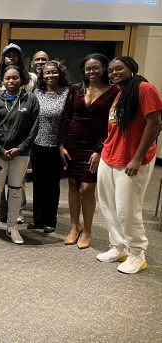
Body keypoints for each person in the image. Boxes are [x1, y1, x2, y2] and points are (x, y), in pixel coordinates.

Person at [96, 56, 162, 274]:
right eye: (111, 70)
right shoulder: (121, 93)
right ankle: (119, 246)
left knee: (127, 210)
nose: (114, 73)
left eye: (119, 69)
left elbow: (154, 123)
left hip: (133, 160)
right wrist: (104, 151)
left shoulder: (145, 88)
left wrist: (136, 157)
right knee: (108, 205)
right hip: (110, 155)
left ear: (131, 69)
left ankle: (137, 254)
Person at [59, 53, 119, 249]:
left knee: (87, 188)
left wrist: (99, 150)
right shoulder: (76, 89)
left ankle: (88, 230)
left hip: (95, 146)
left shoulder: (114, 91)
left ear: (104, 68)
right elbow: (66, 117)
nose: (91, 71)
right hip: (72, 143)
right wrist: (61, 144)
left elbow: (111, 124)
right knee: (73, 185)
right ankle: (74, 227)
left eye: (95, 67)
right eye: (88, 68)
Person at [0, 65, 39, 245]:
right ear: (2, 81)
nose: (11, 81)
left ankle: (12, 226)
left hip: (21, 153)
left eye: (15, 78)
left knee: (15, 189)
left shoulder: (31, 100)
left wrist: (20, 148)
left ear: (22, 79)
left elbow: (33, 129)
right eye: (8, 78)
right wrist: (0, 150)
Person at [0, 43, 34, 223]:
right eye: (8, 55)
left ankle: (15, 216)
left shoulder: (31, 87)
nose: (12, 81)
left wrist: (20, 148)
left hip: (21, 148)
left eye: (15, 55)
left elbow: (33, 125)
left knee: (16, 185)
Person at [28, 61, 70, 234]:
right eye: (47, 73)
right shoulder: (37, 92)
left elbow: (69, 120)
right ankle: (37, 219)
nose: (50, 76)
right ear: (42, 75)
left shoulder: (68, 93)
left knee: (52, 184)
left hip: (57, 145)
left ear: (60, 73)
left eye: (54, 72)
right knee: (38, 182)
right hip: (37, 144)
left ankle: (50, 220)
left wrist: (65, 143)